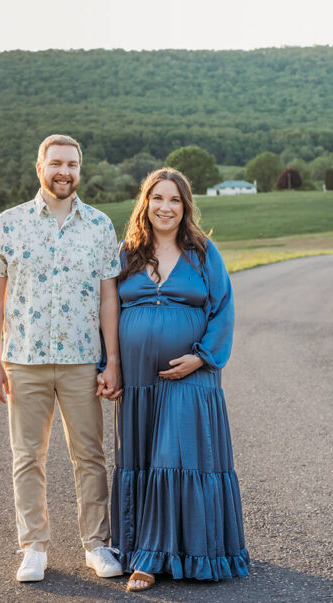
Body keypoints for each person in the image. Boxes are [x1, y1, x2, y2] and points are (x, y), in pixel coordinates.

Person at [0, 134, 125, 583]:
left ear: (80, 170)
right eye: (57, 163)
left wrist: (112, 359)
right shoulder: (9, 223)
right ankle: (34, 548)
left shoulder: (99, 226)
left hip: (83, 359)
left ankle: (96, 545)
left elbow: (108, 298)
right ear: (39, 167)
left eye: (72, 165)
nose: (65, 172)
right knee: (27, 456)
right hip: (24, 359)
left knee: (90, 456)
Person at [109, 168, 249, 592]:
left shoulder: (203, 251)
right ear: (145, 204)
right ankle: (140, 548)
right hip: (137, 380)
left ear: (186, 206)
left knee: (178, 459)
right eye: (157, 198)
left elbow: (223, 307)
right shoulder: (127, 251)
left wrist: (201, 357)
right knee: (144, 461)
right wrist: (107, 364)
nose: (165, 207)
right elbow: (106, 309)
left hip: (191, 373)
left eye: (174, 199)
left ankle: (166, 558)